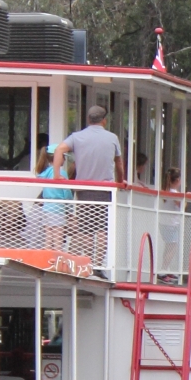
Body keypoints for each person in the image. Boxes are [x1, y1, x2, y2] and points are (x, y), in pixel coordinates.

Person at [51, 103, 123, 263]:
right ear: (104, 120)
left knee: (87, 229)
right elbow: (119, 163)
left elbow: (59, 150)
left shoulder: (77, 137)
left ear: (88, 119)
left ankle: (88, 262)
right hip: (105, 189)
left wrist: (57, 174)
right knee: (103, 229)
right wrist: (121, 180)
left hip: (83, 190)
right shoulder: (112, 138)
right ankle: (98, 264)